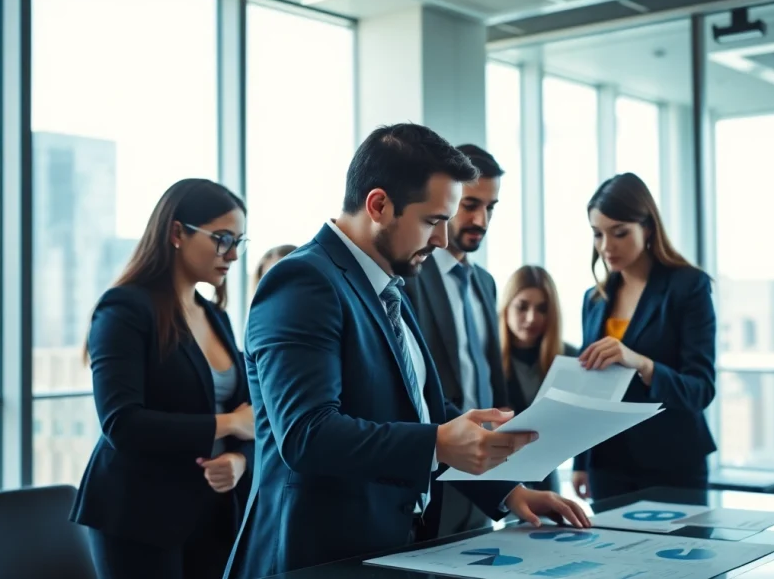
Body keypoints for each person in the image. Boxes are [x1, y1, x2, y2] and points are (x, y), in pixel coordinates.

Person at [225, 123, 589, 579]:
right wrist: (437, 443)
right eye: (433, 221)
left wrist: (511, 493)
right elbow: (307, 434)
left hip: (391, 548)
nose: (441, 240)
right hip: (316, 555)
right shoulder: (302, 282)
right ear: (378, 205)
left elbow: (425, 409)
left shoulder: (389, 286)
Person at [70, 179, 255, 579]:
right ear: (176, 232)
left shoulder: (215, 317)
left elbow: (250, 419)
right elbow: (122, 423)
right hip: (140, 516)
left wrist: (239, 461)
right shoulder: (124, 309)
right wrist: (228, 424)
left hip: (214, 512)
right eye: (223, 239)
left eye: (240, 241)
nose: (234, 255)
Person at [572, 172, 716, 502]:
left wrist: (641, 363)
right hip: (607, 465)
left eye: (619, 233)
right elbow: (589, 387)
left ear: (648, 227)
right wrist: (582, 460)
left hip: (672, 462)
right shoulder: (594, 300)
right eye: (597, 234)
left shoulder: (688, 287)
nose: (607, 246)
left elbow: (701, 389)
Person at [402, 143, 508, 538]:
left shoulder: (485, 283)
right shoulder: (410, 276)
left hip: (488, 466)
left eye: (491, 207)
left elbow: (492, 377)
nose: (481, 219)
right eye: (470, 204)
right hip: (436, 465)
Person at [498, 265, 577, 494]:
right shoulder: (485, 360)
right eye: (522, 307)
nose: (532, 318)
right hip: (497, 476)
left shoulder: (570, 359)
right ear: (506, 308)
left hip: (546, 476)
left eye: (542, 309)